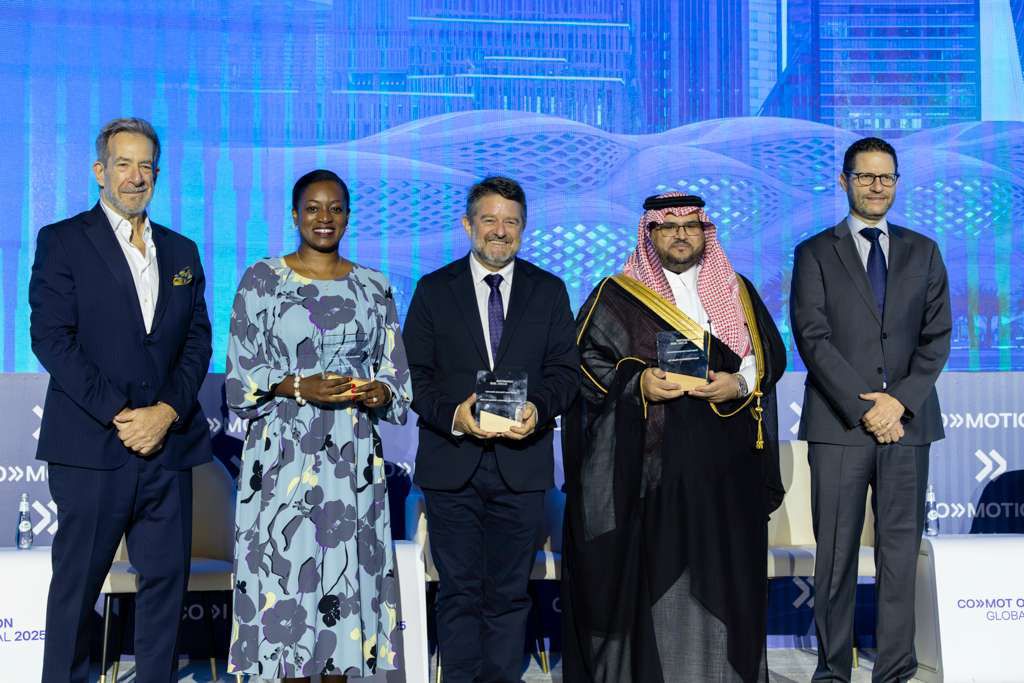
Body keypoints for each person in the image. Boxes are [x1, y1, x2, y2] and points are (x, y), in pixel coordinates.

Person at [561, 191, 786, 683]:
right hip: (653, 468)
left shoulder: (737, 290)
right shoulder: (618, 294)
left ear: (706, 232)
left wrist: (739, 382)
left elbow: (768, 355)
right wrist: (638, 382)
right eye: (668, 226)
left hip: (727, 468)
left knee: (725, 576)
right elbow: (583, 362)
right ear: (650, 233)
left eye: (691, 225)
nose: (681, 235)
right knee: (658, 578)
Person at [29, 117, 212, 683]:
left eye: (146, 166)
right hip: (93, 449)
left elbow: (197, 341)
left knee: (165, 589)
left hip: (168, 449)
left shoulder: (181, 250)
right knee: (76, 588)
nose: (136, 177)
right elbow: (51, 339)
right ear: (99, 171)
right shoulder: (63, 240)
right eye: (124, 164)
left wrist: (167, 413)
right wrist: (122, 414)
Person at [225, 169, 412, 681]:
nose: (324, 218)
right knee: (286, 585)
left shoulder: (374, 286)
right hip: (282, 460)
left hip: (352, 461)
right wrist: (295, 385)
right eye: (312, 208)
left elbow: (396, 375)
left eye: (335, 208)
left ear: (348, 216)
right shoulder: (261, 280)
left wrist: (380, 391)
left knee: (343, 596)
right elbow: (239, 378)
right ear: (294, 215)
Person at [402, 176, 579, 682]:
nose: (500, 231)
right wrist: (453, 416)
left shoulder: (548, 290)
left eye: (511, 221)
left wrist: (538, 409)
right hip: (451, 465)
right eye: (489, 220)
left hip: (521, 466)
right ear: (467, 225)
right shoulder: (434, 290)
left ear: (523, 227)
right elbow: (414, 375)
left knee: (508, 593)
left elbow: (565, 373)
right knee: (459, 592)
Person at [790, 137, 951, 682]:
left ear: (897, 182)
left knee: (899, 554)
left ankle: (895, 670)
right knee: (835, 555)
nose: (877, 186)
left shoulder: (924, 251)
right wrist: (868, 407)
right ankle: (834, 670)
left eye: (886, 177)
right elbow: (813, 338)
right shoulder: (815, 252)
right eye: (865, 176)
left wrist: (898, 402)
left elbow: (937, 337)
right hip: (839, 425)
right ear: (844, 181)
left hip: (908, 424)